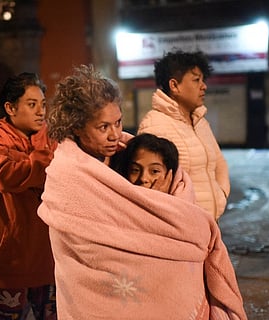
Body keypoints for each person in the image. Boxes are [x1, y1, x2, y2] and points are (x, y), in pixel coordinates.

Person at [38, 64, 246, 319]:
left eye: (118, 122)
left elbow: (171, 194)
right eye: (103, 128)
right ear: (77, 127)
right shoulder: (67, 175)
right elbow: (87, 246)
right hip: (97, 296)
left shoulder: (127, 152)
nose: (115, 134)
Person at [0, 72, 57, 320]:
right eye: (32, 104)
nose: (41, 111)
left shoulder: (51, 136)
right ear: (10, 108)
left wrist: (27, 164)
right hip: (9, 257)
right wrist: (44, 161)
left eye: (43, 104)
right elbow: (6, 175)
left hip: (49, 255)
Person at [138, 49, 230, 220]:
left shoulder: (201, 122)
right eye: (196, 80)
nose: (204, 86)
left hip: (211, 223)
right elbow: (149, 185)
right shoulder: (154, 126)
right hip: (182, 227)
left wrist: (221, 195)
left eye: (203, 80)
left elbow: (219, 163)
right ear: (174, 86)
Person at [110, 133, 179, 194]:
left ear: (170, 175)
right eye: (135, 170)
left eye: (154, 171)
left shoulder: (182, 205)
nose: (143, 179)